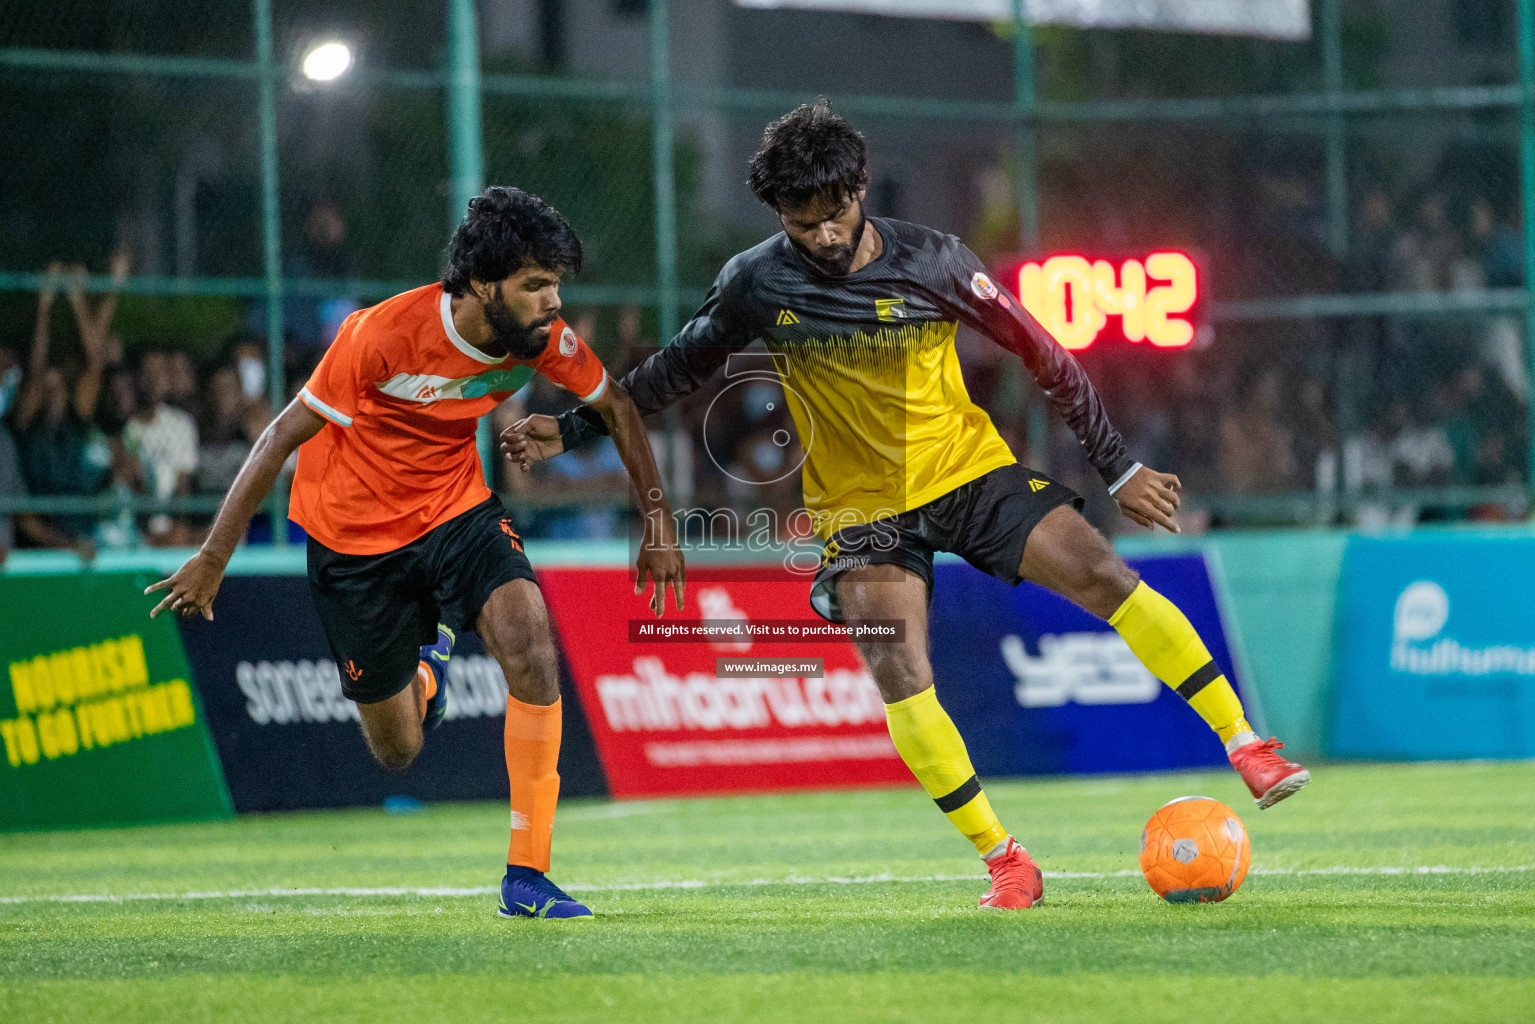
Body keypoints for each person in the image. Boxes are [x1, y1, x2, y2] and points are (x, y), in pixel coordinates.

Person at [507, 102, 1309, 911]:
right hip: (858, 514)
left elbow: (1044, 353)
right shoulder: (756, 279)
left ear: (860, 188)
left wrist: (1118, 467)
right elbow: (672, 370)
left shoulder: (936, 261)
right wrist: (571, 428)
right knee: (899, 668)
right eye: (799, 222)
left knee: (1101, 572)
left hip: (964, 472)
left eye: (833, 215)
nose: (819, 236)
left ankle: (1247, 744)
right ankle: (1005, 858)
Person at [146, 186, 685, 920]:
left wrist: (657, 527)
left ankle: (527, 876)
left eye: (556, 284)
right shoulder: (381, 334)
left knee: (530, 642)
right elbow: (278, 436)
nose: (553, 302)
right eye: (535, 286)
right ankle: (429, 668)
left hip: (454, 511)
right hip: (353, 543)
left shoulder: (545, 340)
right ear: (483, 286)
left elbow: (616, 406)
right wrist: (214, 557)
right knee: (396, 748)